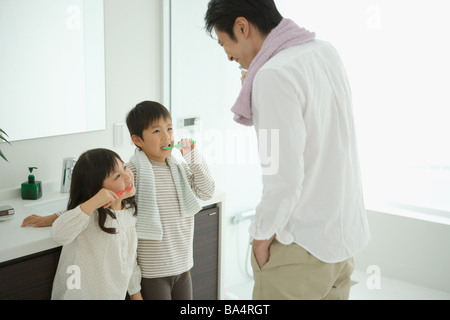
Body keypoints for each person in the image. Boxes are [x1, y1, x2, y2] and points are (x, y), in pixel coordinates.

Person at [205, 0, 370, 300]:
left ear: (242, 27)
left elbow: (284, 178)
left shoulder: (272, 75)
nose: (228, 56)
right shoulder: (324, 51)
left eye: (224, 43)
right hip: (341, 240)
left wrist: (260, 238)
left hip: (300, 248)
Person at [126, 101, 215, 300]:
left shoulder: (179, 168)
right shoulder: (131, 173)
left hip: (183, 266)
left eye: (169, 128)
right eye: (156, 131)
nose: (167, 136)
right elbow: (116, 218)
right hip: (153, 270)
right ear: (137, 140)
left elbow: (207, 191)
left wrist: (193, 157)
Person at [50, 148, 142, 300]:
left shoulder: (128, 212)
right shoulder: (89, 216)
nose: (127, 177)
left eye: (124, 167)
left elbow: (129, 257)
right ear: (97, 190)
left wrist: (135, 292)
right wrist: (93, 203)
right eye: (117, 176)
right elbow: (59, 234)